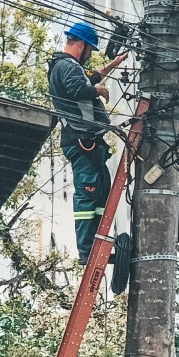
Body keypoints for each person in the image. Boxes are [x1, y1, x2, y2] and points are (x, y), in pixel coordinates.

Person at [46, 21, 128, 265]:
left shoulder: (67, 67)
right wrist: (99, 91)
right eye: (90, 50)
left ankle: (97, 244)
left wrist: (111, 66)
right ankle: (86, 251)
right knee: (87, 195)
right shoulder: (66, 66)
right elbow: (79, 88)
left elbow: (86, 79)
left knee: (100, 192)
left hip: (89, 143)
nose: (89, 54)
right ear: (81, 45)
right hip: (81, 142)